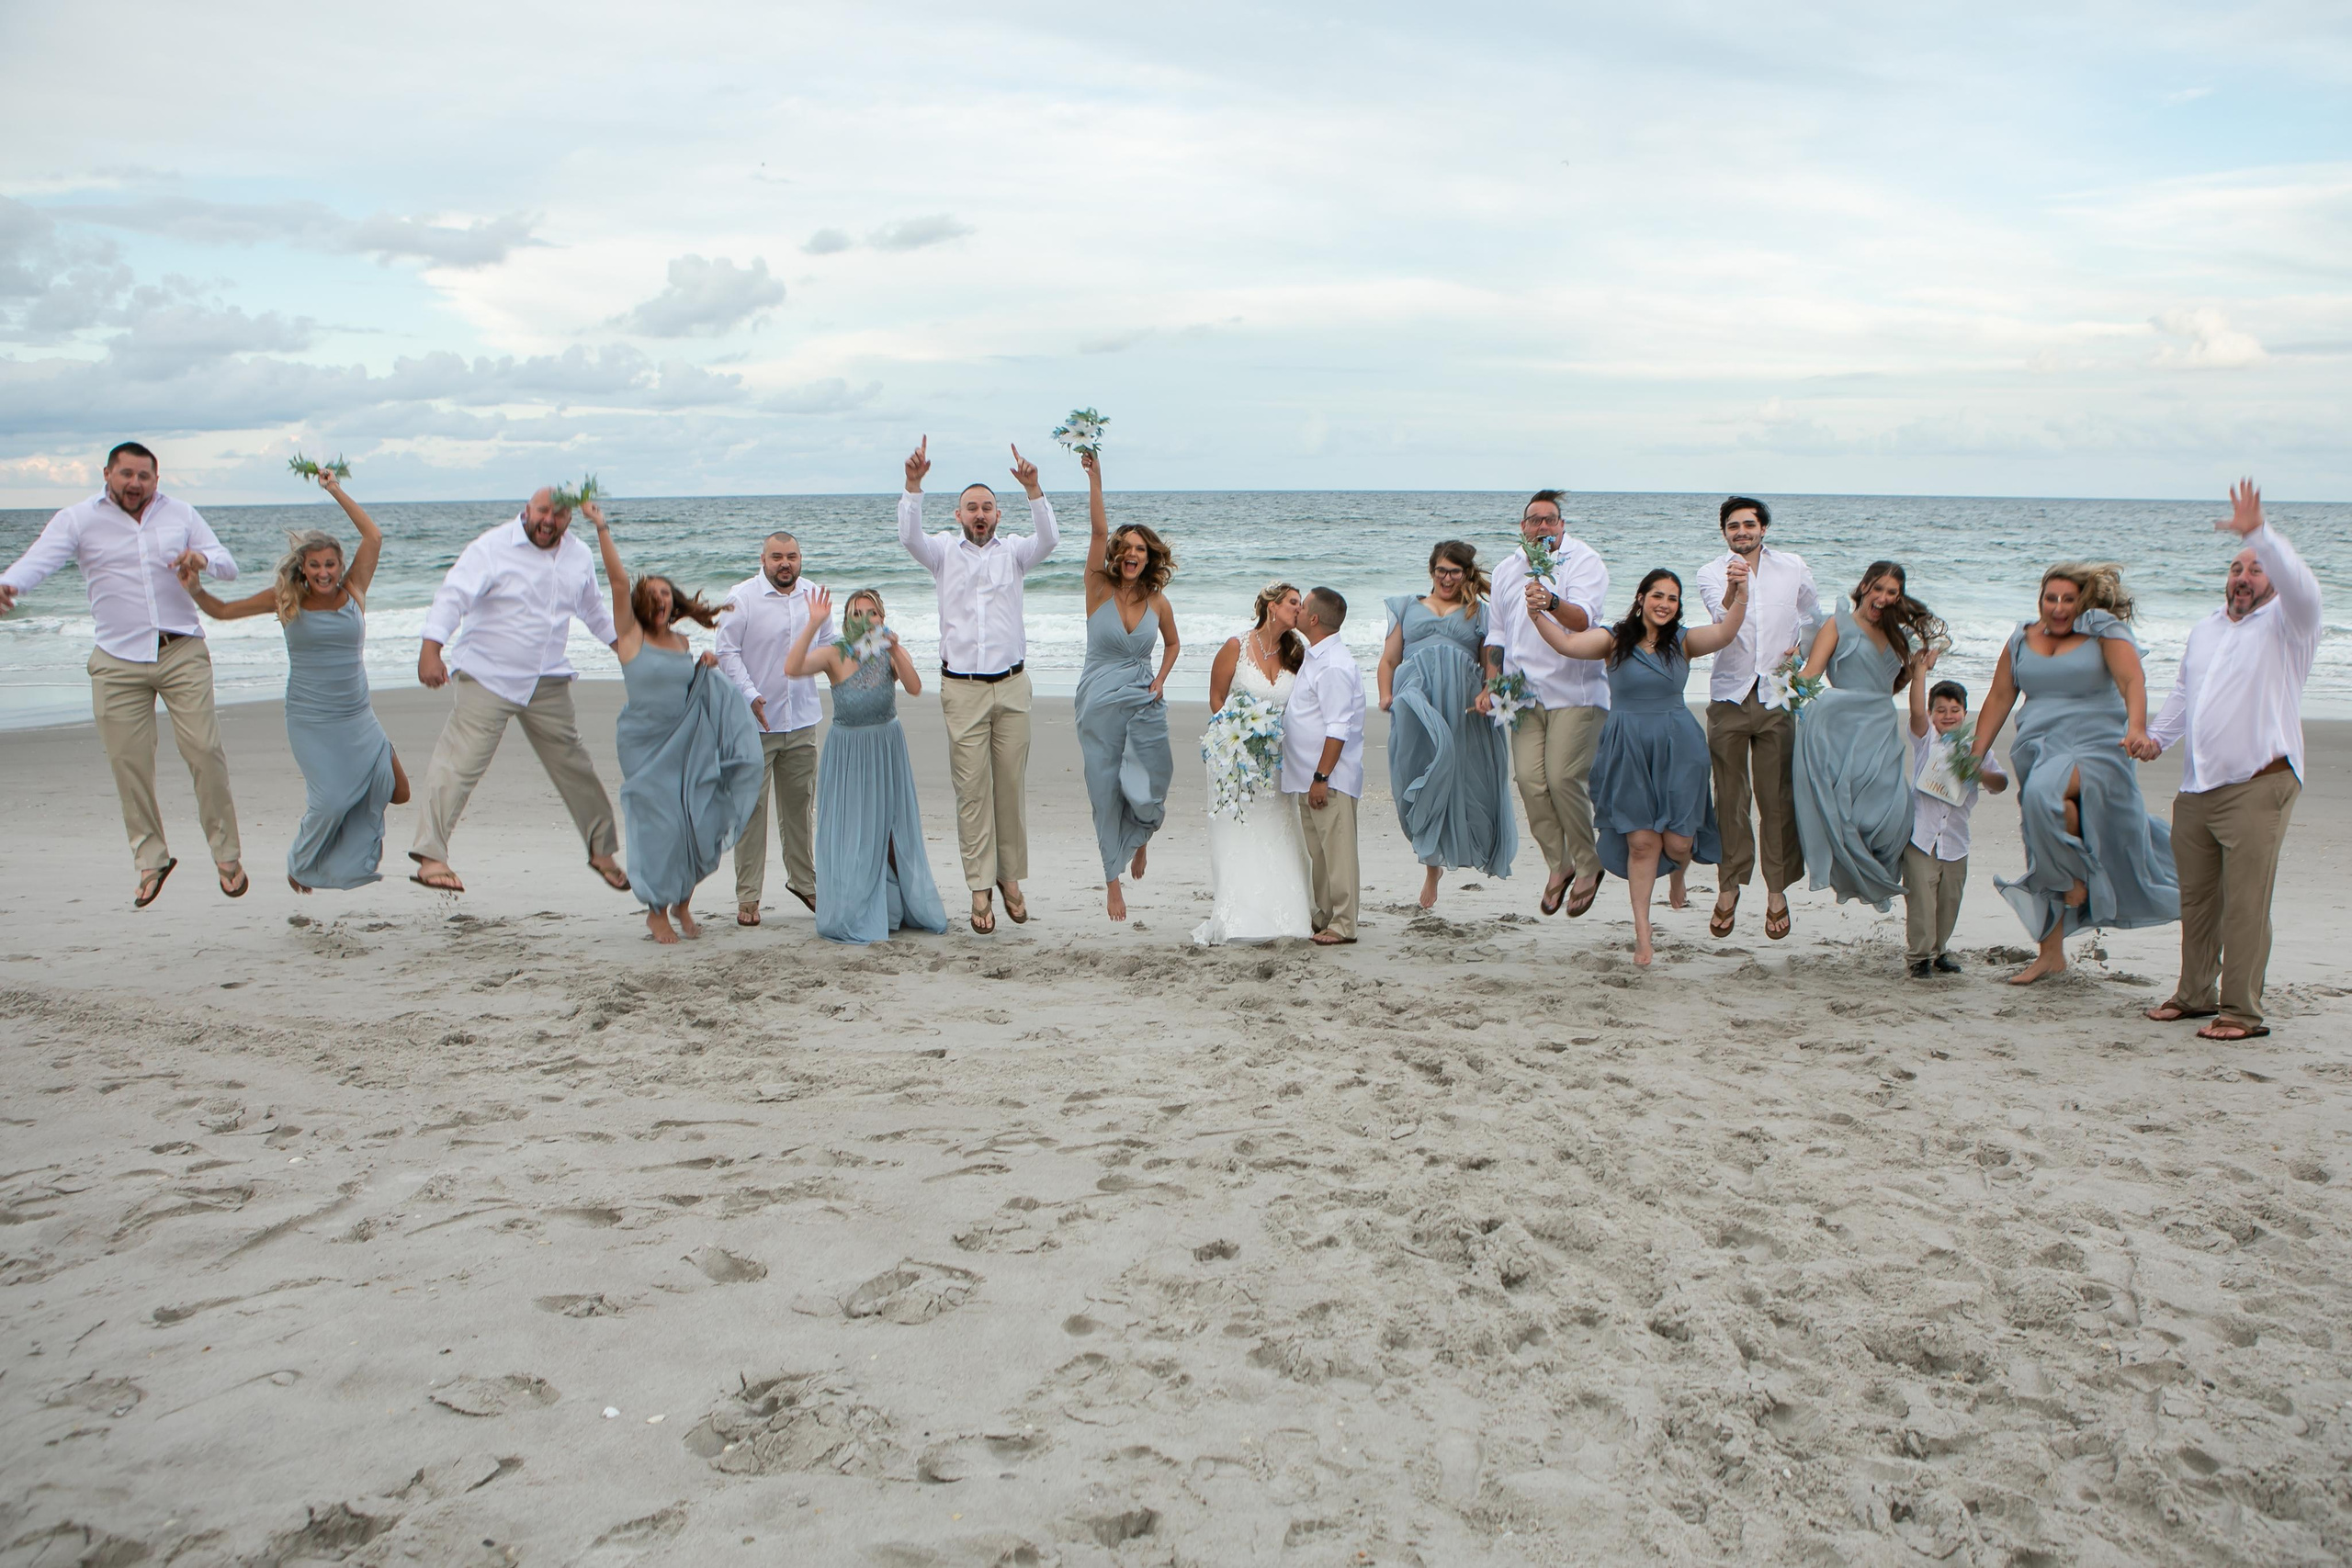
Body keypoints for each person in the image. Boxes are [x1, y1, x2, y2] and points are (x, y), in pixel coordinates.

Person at [0, 441, 247, 906]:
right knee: (128, 763)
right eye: (127, 474)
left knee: (204, 750)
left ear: (157, 479)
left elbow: (229, 565)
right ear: (108, 474)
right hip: (116, 660)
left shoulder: (182, 514)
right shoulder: (77, 519)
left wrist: (201, 560)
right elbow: (40, 560)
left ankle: (227, 854)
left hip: (181, 650)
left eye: (145, 476)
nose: (135, 484)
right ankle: (151, 860)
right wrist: (7, 584)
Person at [2140, 480, 2321, 1041]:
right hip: (2198, 789)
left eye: (2257, 569)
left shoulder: (2291, 625)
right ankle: (2195, 994)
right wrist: (2155, 740)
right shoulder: (2205, 630)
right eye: (2237, 568)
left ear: (2272, 581)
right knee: (2197, 902)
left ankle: (2240, 1011)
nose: (2244, 577)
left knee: (2245, 905)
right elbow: (2184, 694)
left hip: (2259, 783)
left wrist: (2259, 533)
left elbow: (2304, 587)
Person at [178, 469, 411, 892]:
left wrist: (334, 489)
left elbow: (373, 537)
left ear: (341, 565)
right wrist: (195, 589)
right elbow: (224, 612)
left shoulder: (355, 590)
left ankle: (376, 756)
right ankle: (300, 862)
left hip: (357, 713)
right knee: (331, 800)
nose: (324, 572)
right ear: (303, 567)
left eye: (330, 564)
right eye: (315, 564)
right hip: (311, 718)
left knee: (397, 792)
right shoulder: (287, 599)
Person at [409, 488, 630, 896]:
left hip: (547, 679)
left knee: (575, 765)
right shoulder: (491, 548)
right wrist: (431, 649)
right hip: (489, 676)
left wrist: (624, 647)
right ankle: (430, 857)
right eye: (544, 511)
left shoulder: (578, 554)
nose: (550, 520)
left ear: (569, 518)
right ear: (527, 510)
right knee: (458, 765)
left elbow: (593, 609)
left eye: (560, 515)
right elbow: (452, 596)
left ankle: (602, 851)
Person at [1970, 561, 2177, 984]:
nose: (2059, 607)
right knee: (2041, 828)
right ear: (2040, 600)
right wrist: (1976, 752)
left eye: (2069, 599)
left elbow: (2131, 681)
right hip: (2039, 744)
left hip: (2098, 743)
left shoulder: (2104, 632)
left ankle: (2074, 877)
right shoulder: (2021, 639)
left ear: (2082, 602)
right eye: (2051, 598)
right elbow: (1998, 698)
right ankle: (2051, 952)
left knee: (2043, 798)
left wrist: (2137, 728)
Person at [1533, 562, 1750, 965]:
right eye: (1657, 596)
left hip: (1678, 745)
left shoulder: (1683, 641)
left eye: (1672, 598)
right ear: (1641, 598)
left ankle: (1679, 873)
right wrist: (1536, 612)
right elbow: (1566, 644)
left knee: (1679, 842)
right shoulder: (1613, 640)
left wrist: (1740, 594)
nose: (1664, 604)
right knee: (1642, 842)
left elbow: (1726, 632)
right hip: (1627, 744)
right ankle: (1643, 935)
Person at [899, 436, 1059, 934]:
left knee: (1008, 790)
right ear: (959, 515)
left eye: (988, 506)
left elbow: (1050, 539)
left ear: (998, 515)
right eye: (972, 507)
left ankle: (1011, 878)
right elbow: (908, 536)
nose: (980, 513)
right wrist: (913, 485)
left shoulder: (1015, 553)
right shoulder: (943, 553)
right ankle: (979, 887)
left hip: (1011, 687)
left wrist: (1034, 489)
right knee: (972, 793)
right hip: (962, 689)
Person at [587, 506, 762, 943]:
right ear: (642, 602)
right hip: (645, 746)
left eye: (667, 593)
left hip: (687, 743)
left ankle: (683, 900)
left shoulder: (683, 641)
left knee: (694, 822)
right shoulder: (630, 636)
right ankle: (655, 908)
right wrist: (601, 527)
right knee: (659, 826)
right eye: (654, 594)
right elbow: (618, 581)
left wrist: (703, 665)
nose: (662, 599)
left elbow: (689, 691)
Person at [782, 587, 949, 944]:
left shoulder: (886, 652)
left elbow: (916, 687)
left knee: (890, 831)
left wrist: (895, 646)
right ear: (845, 620)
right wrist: (813, 624)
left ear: (881, 617)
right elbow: (792, 667)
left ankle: (897, 904)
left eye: (871, 613)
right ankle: (854, 905)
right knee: (853, 831)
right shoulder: (835, 654)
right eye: (856, 614)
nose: (863, 620)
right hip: (848, 754)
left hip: (886, 748)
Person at [1696, 497, 1820, 941]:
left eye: (1749, 524)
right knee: (1729, 798)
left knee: (1777, 798)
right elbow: (1719, 617)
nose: (1741, 532)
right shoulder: (1711, 572)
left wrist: (1801, 649)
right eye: (1733, 526)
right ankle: (1728, 887)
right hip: (1729, 694)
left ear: (1764, 528)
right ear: (1724, 532)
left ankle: (1776, 891)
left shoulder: (1793, 567)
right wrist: (1735, 586)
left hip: (1776, 696)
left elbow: (1811, 614)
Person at [1483, 490, 1611, 917]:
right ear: (1522, 527)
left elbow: (1585, 621)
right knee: (1528, 782)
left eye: (1550, 520)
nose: (1542, 527)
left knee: (1562, 779)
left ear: (1562, 526)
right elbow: (1496, 634)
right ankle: (1561, 864)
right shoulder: (1506, 570)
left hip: (1575, 693)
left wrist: (1551, 602)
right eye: (1534, 520)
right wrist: (1492, 683)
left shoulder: (1584, 561)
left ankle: (1590, 865)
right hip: (1522, 696)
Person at [1790, 561, 1944, 911]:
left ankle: (1874, 877)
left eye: (1892, 593)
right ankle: (1850, 872)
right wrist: (1788, 676)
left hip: (1880, 727)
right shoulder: (1838, 623)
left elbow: (1889, 686)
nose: (1884, 597)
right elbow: (1811, 675)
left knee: (1893, 817)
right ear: (1863, 587)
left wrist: (1920, 668)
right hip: (1840, 725)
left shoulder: (1896, 635)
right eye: (1878, 589)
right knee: (1851, 815)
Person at [1073, 450, 1180, 921]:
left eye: (1141, 548)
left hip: (1143, 700)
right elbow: (1098, 531)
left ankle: (1140, 839)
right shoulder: (1096, 588)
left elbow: (1174, 646)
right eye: (1126, 548)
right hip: (1098, 702)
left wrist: (1158, 680)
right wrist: (1097, 478)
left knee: (1151, 781)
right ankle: (1112, 882)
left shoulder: (1159, 601)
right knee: (1104, 789)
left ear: (1148, 556)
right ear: (1116, 555)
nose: (1133, 554)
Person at [1381, 540, 1515, 908]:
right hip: (1417, 698)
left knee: (1460, 779)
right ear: (1431, 570)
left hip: (1461, 700)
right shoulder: (1407, 606)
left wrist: (1491, 690)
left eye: (1455, 571)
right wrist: (1385, 695)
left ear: (1465, 573)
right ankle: (1430, 862)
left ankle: (1436, 864)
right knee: (1417, 773)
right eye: (1441, 570)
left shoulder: (1480, 612)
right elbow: (1389, 659)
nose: (1447, 577)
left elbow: (1492, 661)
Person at [715, 531, 831, 926]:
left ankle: (804, 881)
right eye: (777, 556)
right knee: (751, 811)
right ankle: (748, 896)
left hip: (801, 721)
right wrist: (749, 694)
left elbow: (832, 645)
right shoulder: (742, 597)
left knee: (800, 808)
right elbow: (726, 652)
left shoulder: (814, 596)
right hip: (753, 725)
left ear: (801, 559)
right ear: (763, 559)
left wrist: (875, 648)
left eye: (792, 556)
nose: (786, 564)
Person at [1193, 582, 1315, 945]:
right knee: (1239, 834)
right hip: (1236, 760)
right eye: (1294, 603)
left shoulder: (1298, 652)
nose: (1300, 610)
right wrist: (1239, 732)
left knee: (1279, 830)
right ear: (1272, 606)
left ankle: (1288, 913)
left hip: (1278, 759)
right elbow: (1217, 698)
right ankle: (1240, 915)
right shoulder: (1236, 646)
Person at [1903, 678, 2007, 979]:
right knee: (1922, 899)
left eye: (1954, 709)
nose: (1948, 715)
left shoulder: (1977, 747)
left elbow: (2001, 783)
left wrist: (1980, 770)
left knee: (1949, 900)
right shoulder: (1926, 740)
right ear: (1931, 714)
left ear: (1965, 713)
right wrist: (1920, 670)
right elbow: (1916, 714)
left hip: (1956, 840)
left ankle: (1939, 951)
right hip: (1922, 837)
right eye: (1940, 710)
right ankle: (1919, 957)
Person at [1283, 589, 1367, 946]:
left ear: (1314, 619)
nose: (1298, 611)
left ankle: (1344, 923)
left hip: (1328, 777)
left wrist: (1321, 777)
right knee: (1319, 852)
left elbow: (1338, 728)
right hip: (1307, 775)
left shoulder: (1334, 665)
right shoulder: (1316, 657)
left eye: (1302, 607)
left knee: (1338, 851)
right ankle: (1325, 917)